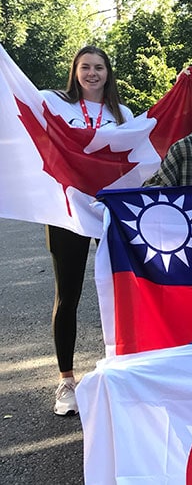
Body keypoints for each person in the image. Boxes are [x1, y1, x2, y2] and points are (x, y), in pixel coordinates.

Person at [41, 46, 134, 416]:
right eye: (85, 67)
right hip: (67, 212)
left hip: (109, 211)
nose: (92, 73)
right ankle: (66, 380)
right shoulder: (54, 102)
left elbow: (136, 160)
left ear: (108, 73)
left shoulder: (121, 114)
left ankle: (124, 368)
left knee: (122, 289)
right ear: (75, 71)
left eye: (99, 67)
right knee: (69, 295)